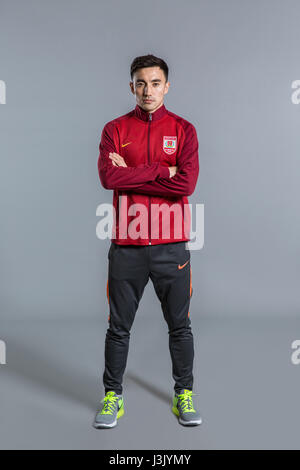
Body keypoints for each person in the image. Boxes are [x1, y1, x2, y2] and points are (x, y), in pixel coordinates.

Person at [94, 54, 202, 428]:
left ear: (166, 86)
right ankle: (112, 397)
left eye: (155, 83)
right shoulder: (114, 130)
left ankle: (183, 393)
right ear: (131, 87)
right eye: (141, 83)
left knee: (180, 325)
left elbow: (186, 183)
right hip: (128, 244)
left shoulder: (185, 130)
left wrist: (133, 174)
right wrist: (161, 171)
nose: (148, 90)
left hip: (172, 245)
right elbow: (109, 178)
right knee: (118, 327)